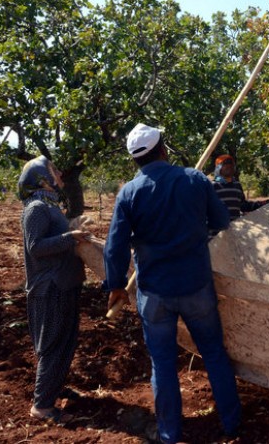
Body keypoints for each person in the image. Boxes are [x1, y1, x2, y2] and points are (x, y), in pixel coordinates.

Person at [103, 124, 241, 443]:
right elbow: (221, 221)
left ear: (135, 160)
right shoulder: (194, 180)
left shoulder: (129, 193)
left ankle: (169, 433)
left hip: (154, 293)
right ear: (163, 149)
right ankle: (232, 424)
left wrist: (115, 284)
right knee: (214, 354)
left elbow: (115, 246)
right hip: (196, 286)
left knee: (162, 363)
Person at [18, 155, 89, 424]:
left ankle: (54, 387)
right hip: (50, 287)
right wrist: (69, 237)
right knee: (53, 344)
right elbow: (35, 247)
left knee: (66, 341)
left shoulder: (50, 205)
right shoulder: (36, 208)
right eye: (53, 170)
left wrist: (72, 229)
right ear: (41, 177)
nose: (59, 174)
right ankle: (42, 405)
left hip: (64, 283)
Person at [210, 154, 269, 220]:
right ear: (218, 168)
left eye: (231, 164)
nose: (229, 166)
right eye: (225, 164)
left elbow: (244, 206)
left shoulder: (237, 186)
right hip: (217, 230)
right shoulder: (212, 186)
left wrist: (263, 203)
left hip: (234, 228)